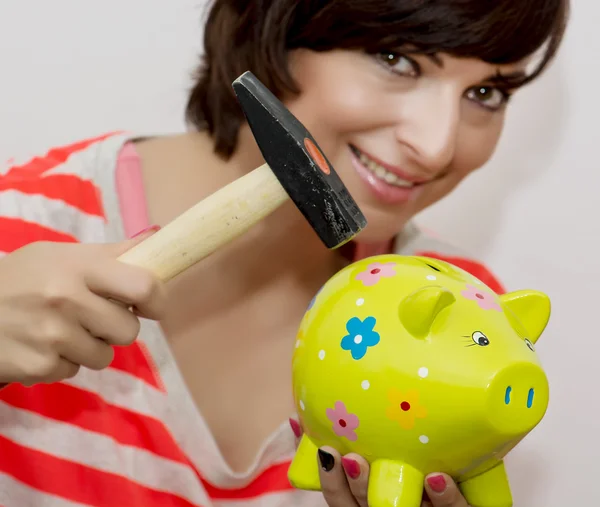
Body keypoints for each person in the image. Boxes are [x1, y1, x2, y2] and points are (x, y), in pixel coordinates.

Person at [0, 0, 569, 506]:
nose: (436, 144)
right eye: (397, 59)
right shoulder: (20, 232)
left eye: (485, 92)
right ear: (273, 21)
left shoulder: (467, 315)